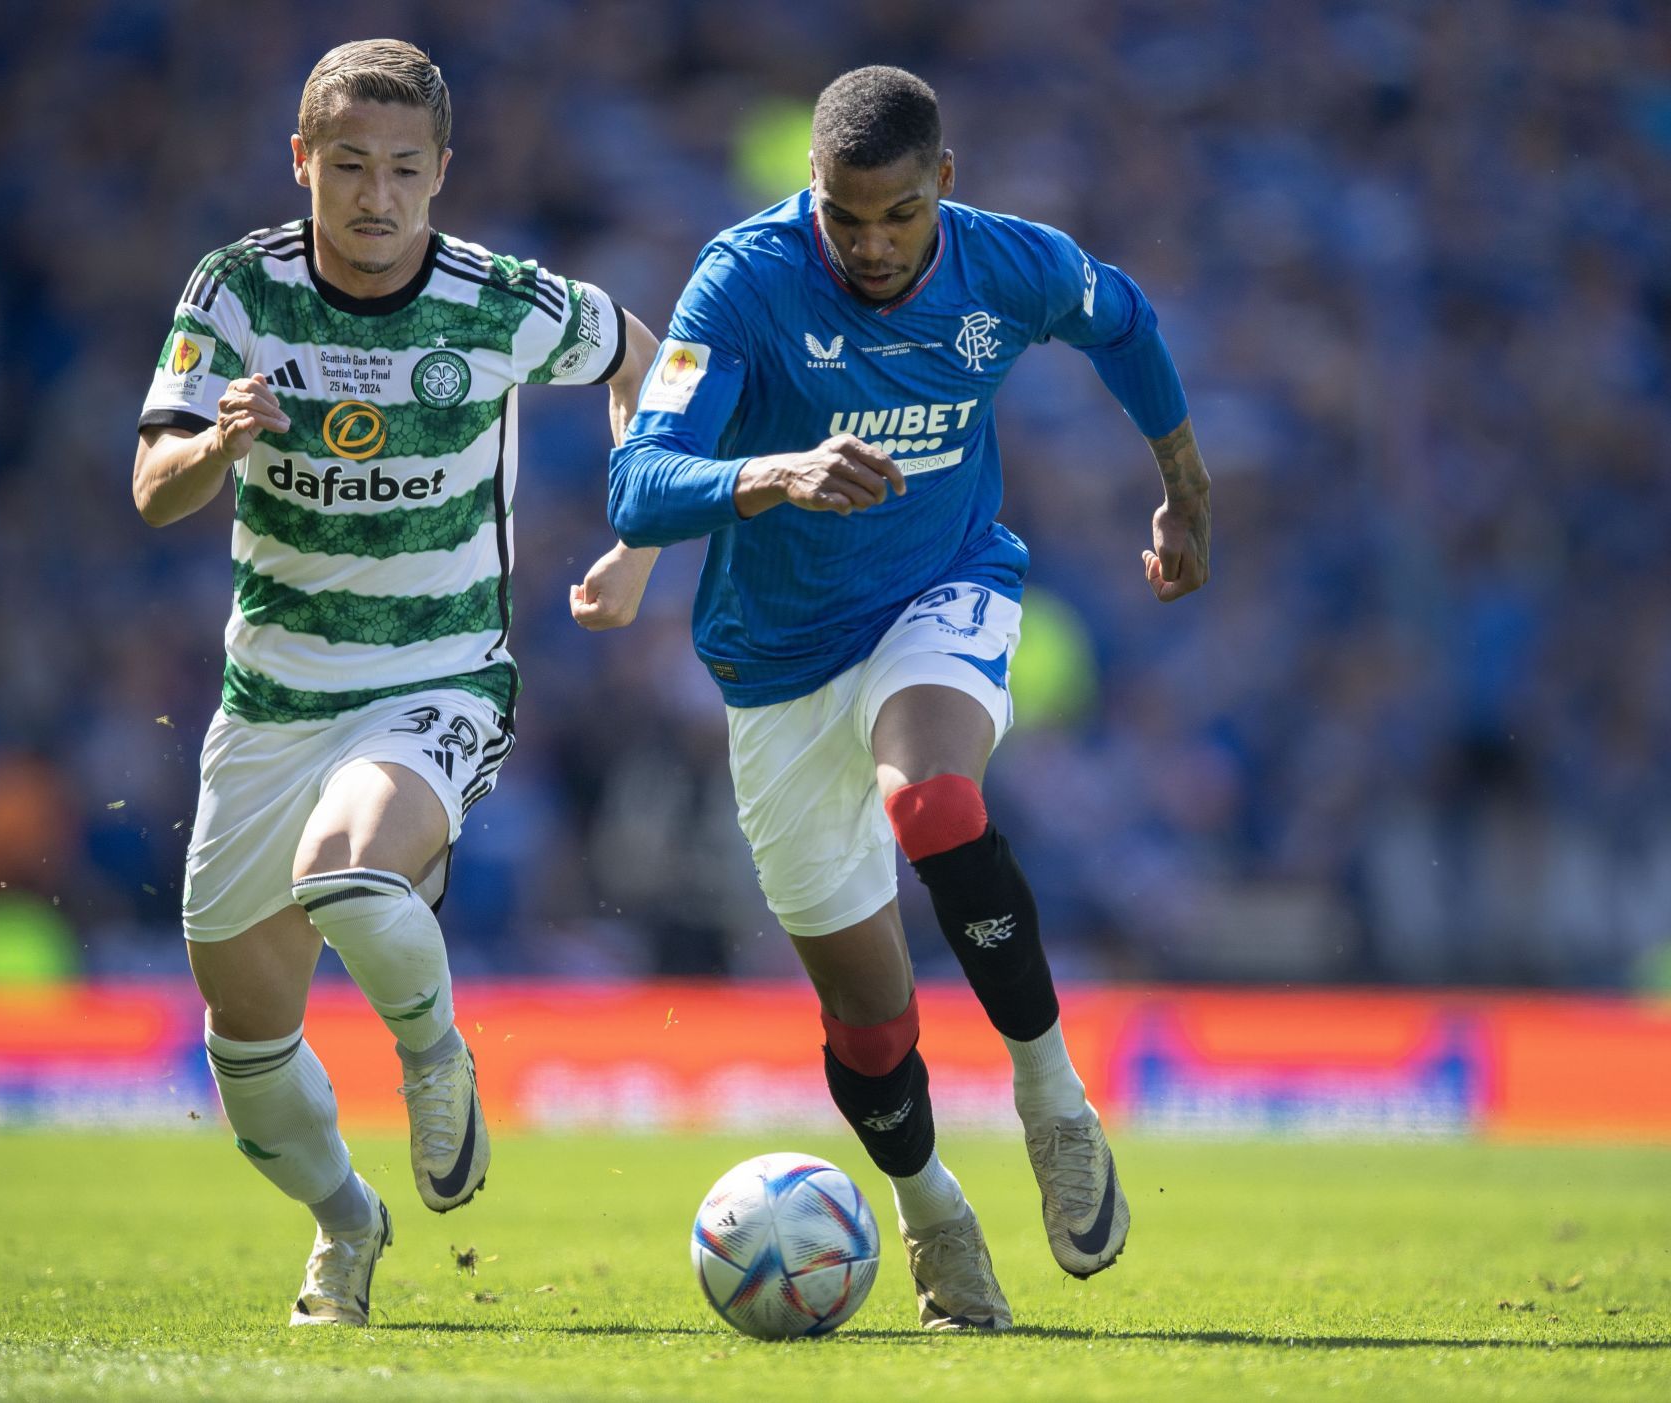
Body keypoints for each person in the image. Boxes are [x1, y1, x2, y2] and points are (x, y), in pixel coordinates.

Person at [608, 66, 1210, 1330]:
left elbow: (1128, 320)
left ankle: (1052, 1101)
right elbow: (636, 485)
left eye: (898, 215)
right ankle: (936, 1214)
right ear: (813, 195)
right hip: (774, 662)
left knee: (932, 800)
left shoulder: (1008, 266)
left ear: (946, 179)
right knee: (869, 1020)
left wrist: (1184, 483)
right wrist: (776, 470)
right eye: (845, 217)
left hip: (943, 588)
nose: (872, 244)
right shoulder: (746, 279)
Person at [134, 39, 659, 1327]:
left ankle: (436, 1057)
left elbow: (655, 356)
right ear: (303, 162)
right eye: (351, 166)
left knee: (350, 866)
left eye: (405, 171)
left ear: (442, 175)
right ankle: (344, 1221)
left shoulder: (500, 301)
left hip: (439, 672)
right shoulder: (237, 288)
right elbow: (155, 490)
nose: (377, 197)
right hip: (271, 694)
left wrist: (640, 537)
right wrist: (219, 439)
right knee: (245, 1041)